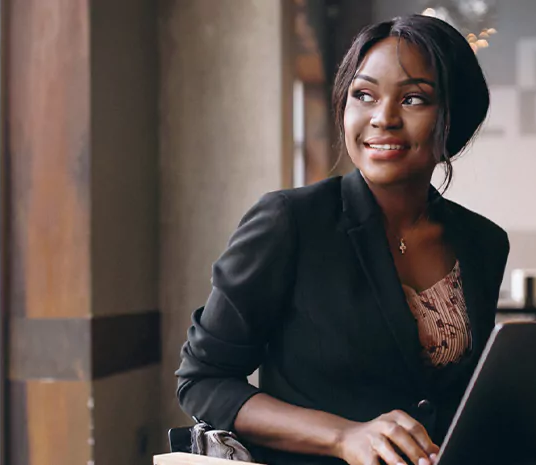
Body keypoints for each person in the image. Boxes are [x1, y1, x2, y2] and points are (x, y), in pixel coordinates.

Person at [176, 14, 509, 465]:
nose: (383, 118)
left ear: (455, 118)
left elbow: (462, 395)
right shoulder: (289, 222)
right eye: (364, 95)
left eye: (413, 99)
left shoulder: (483, 242)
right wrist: (342, 436)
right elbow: (203, 381)